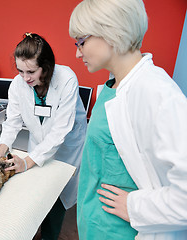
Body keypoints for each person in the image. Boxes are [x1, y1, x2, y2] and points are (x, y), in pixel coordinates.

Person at [69, 0, 187, 239]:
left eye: (81, 42)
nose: (77, 52)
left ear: (110, 32)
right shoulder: (113, 87)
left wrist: (134, 206)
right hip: (94, 226)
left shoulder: (157, 93)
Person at [0, 33, 87, 240]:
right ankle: (33, 230)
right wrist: (1, 152)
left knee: (58, 197)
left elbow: (60, 131)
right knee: (37, 192)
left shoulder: (66, 79)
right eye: (20, 71)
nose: (25, 77)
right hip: (39, 144)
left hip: (67, 147)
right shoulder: (18, 85)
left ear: (46, 67)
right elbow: (12, 122)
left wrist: (28, 162)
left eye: (31, 71)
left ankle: (49, 236)